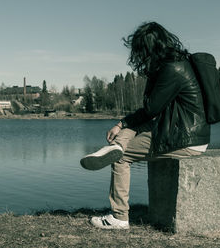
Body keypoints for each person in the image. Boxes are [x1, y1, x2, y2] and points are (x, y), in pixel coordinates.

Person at [80, 21, 210, 230]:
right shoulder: (175, 63)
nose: (139, 57)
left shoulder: (172, 69)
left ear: (149, 49)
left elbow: (150, 108)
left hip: (185, 139)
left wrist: (150, 74)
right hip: (182, 131)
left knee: (121, 158)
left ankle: (119, 217)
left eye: (141, 52)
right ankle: (117, 145)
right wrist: (120, 124)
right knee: (129, 131)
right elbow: (149, 113)